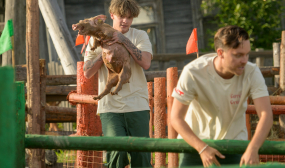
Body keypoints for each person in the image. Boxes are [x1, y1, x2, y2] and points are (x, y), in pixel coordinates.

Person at [171, 25, 273, 167]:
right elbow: (175, 117)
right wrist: (202, 148)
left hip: (234, 146)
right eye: (238, 55)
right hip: (195, 148)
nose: (245, 60)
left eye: (247, 54)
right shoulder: (193, 72)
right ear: (220, 53)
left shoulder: (252, 72)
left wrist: (253, 148)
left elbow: (266, 114)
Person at [83, 0, 153, 167]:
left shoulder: (140, 35)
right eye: (122, 16)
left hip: (137, 104)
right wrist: (104, 52)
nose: (125, 21)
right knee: (117, 153)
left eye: (130, 18)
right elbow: (87, 72)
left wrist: (123, 41)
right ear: (112, 15)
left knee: (141, 156)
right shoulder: (97, 37)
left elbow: (146, 63)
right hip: (110, 107)